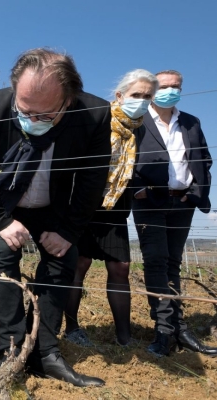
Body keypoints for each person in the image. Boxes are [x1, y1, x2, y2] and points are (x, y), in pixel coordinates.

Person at [0, 48, 111, 387]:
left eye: (44, 115)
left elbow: (92, 181)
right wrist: (1, 221)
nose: (30, 119)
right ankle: (11, 351)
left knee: (63, 262)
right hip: (9, 204)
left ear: (68, 101)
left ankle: (46, 353)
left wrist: (69, 230)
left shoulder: (96, 114)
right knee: (3, 261)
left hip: (56, 206)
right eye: (24, 109)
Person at [64, 69, 159, 347]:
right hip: (82, 203)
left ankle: (124, 337)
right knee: (78, 264)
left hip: (117, 207)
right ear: (120, 95)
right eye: (135, 94)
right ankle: (71, 328)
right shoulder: (96, 118)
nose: (141, 100)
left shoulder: (140, 129)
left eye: (146, 96)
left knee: (120, 268)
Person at [132, 70, 217, 357]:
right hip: (150, 201)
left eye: (176, 86)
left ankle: (178, 328)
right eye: (165, 86)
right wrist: (136, 189)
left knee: (172, 263)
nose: (171, 91)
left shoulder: (191, 122)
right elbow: (123, 157)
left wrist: (196, 192)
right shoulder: (138, 120)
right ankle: (165, 331)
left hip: (182, 203)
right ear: (154, 89)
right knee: (156, 262)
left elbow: (204, 158)